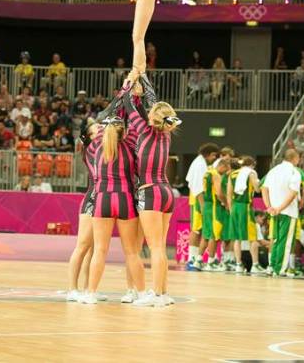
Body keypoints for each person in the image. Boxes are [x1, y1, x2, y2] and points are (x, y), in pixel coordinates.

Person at [123, 75, 181, 306]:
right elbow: (153, 103)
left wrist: (131, 81)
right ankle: (163, 293)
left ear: (151, 117)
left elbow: (127, 103)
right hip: (167, 191)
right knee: (161, 247)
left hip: (149, 191)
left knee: (155, 247)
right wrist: (144, 81)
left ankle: (156, 295)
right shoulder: (167, 133)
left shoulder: (144, 130)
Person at [81, 115, 146, 305]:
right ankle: (139, 293)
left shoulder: (95, 148)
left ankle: (91, 293)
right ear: (122, 130)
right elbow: (135, 125)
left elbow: (100, 126)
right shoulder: (130, 145)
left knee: (100, 250)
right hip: (125, 199)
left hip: (103, 200)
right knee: (132, 252)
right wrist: (128, 95)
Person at [67, 122, 101, 302]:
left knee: (93, 250)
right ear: (89, 136)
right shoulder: (90, 151)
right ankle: (72, 288)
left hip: (102, 202)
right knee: (82, 246)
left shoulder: (103, 148)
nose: (101, 129)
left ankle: (89, 288)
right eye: (96, 129)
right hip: (91, 202)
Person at [261, 149, 302, 276]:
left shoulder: (273, 170)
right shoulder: (294, 172)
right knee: (285, 241)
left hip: (274, 211)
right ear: (295, 158)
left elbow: (264, 189)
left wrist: (269, 207)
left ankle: (272, 266)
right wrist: (280, 208)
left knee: (276, 240)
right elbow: (292, 193)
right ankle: (280, 269)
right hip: (287, 212)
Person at [185, 143, 219, 270]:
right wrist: (203, 205)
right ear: (209, 154)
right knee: (196, 229)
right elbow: (198, 187)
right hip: (198, 200)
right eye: (214, 155)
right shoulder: (200, 164)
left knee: (198, 229)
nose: (214, 158)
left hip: (197, 199)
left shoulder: (199, 162)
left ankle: (194, 258)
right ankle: (192, 258)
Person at [228, 156, 260, 274]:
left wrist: (231, 209)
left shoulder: (233, 174)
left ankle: (238, 265)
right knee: (253, 237)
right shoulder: (251, 173)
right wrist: (259, 181)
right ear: (252, 164)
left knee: (237, 238)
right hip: (245, 206)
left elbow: (228, 193)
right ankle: (255, 265)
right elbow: (257, 189)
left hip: (235, 206)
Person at [200, 155, 231, 271]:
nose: (225, 173)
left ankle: (199, 260)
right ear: (222, 166)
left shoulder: (207, 172)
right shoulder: (215, 174)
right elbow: (218, 193)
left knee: (206, 234)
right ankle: (211, 262)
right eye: (225, 170)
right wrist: (226, 203)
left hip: (207, 205)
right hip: (214, 206)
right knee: (214, 235)